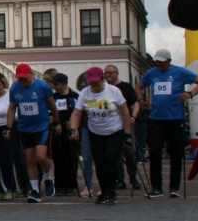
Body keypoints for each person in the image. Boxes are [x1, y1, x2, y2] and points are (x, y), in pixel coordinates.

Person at [136, 49, 198, 198]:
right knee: (155, 153)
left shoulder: (180, 72)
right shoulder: (152, 72)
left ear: (169, 61)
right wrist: (141, 99)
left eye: (162, 62)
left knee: (176, 153)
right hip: (156, 118)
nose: (159, 65)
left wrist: (190, 93)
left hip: (175, 118)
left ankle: (174, 187)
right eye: (157, 62)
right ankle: (156, 187)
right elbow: (139, 85)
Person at [69, 67, 133, 204]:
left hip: (114, 130)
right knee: (99, 162)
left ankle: (111, 192)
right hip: (95, 131)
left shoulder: (114, 91)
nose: (94, 86)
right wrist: (73, 129)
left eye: (96, 83)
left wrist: (127, 133)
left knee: (110, 160)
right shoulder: (85, 93)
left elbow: (125, 113)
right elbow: (77, 113)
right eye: (91, 83)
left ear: (102, 79)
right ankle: (104, 191)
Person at [6, 64, 60, 203]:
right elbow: (12, 108)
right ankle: (35, 191)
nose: (22, 81)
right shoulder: (15, 88)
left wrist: (57, 121)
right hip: (24, 128)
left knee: (41, 156)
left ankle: (48, 177)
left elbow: (52, 104)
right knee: (29, 159)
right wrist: (8, 127)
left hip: (41, 127)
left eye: (25, 78)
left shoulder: (42, 87)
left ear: (31, 75)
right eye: (20, 78)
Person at [102, 65, 142, 190]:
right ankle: (120, 179)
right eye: (106, 73)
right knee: (115, 154)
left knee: (130, 152)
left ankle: (133, 177)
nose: (108, 75)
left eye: (110, 72)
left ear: (117, 73)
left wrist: (133, 116)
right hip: (111, 125)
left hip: (125, 124)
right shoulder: (104, 88)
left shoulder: (126, 87)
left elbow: (135, 103)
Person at [49, 74, 81, 196]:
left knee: (71, 158)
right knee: (58, 158)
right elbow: (49, 111)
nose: (54, 87)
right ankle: (60, 185)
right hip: (58, 131)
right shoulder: (53, 97)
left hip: (70, 131)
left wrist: (73, 125)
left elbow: (78, 112)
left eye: (56, 84)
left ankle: (71, 185)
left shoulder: (74, 96)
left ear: (63, 84)